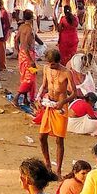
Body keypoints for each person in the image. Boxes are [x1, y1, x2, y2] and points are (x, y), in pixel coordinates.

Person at [34, 48, 77, 179]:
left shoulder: (66, 72)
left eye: (53, 63)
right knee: (42, 137)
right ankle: (48, 165)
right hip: (49, 104)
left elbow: (74, 93)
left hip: (61, 106)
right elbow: (44, 85)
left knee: (59, 139)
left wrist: (63, 101)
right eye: (49, 63)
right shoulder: (46, 68)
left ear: (58, 62)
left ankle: (58, 171)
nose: (50, 65)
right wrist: (39, 96)